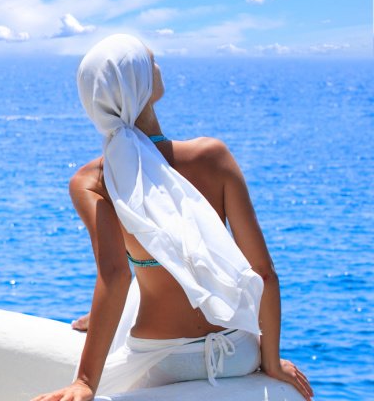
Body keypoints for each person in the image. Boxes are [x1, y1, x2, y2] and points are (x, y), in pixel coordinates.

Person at [31, 34, 312, 401]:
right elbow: (263, 273)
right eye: (151, 62)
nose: (159, 67)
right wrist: (271, 361)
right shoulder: (212, 156)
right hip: (237, 353)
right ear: (143, 86)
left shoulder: (92, 181)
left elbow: (115, 277)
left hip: (162, 360)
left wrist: (85, 382)